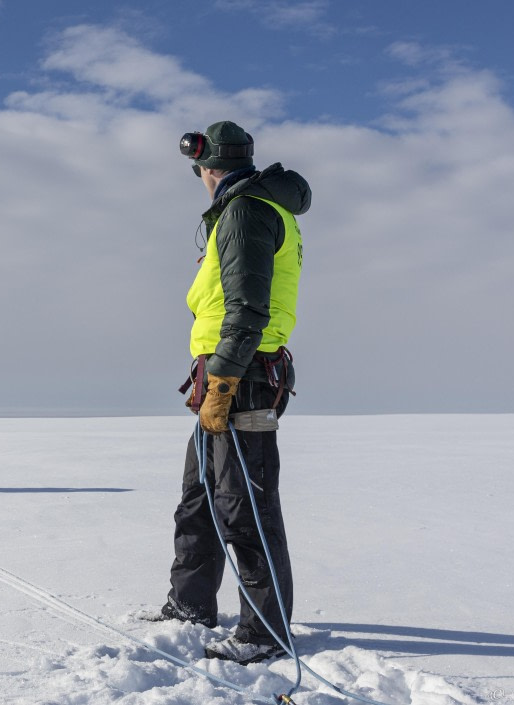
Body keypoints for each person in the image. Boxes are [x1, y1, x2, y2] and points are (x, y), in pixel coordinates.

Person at [155, 120, 311, 665]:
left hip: (241, 378)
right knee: (199, 498)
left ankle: (265, 630)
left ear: (206, 168)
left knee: (244, 504)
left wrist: (221, 381)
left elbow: (248, 307)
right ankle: (191, 604)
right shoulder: (240, 211)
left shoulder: (245, 213)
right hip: (221, 375)